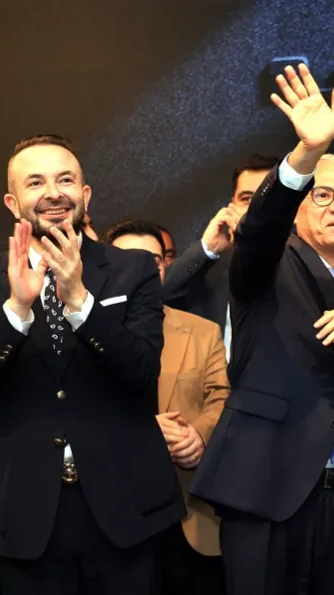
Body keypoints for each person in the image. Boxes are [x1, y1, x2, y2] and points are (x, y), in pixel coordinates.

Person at [190, 64, 334, 595]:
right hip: (266, 491)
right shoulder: (266, 266)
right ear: (297, 208)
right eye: (322, 195)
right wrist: (306, 155)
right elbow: (259, 227)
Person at [0, 134, 184, 595]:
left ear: (85, 195)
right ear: (13, 202)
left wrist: (80, 302)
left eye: (66, 180)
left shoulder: (133, 269)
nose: (54, 193)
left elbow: (141, 371)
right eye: (36, 182)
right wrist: (16, 310)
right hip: (24, 515)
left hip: (126, 509)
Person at [107, 220, 229, 595]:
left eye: (153, 260)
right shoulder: (80, 334)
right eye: (128, 260)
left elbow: (222, 396)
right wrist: (144, 431)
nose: (142, 269)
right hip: (111, 516)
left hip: (189, 514)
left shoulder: (202, 331)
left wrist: (199, 435)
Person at [162, 154, 279, 360]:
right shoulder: (209, 265)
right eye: (247, 199)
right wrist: (206, 248)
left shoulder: (302, 260)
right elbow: (157, 295)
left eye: (267, 197)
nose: (255, 207)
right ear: (231, 205)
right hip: (216, 375)